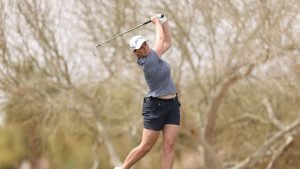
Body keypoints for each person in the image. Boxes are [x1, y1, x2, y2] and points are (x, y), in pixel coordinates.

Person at [115, 14, 181, 169]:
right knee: (145, 146)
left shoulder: (154, 55)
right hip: (155, 107)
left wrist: (165, 22)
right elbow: (160, 40)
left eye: (144, 44)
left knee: (169, 145)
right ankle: (123, 168)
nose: (144, 48)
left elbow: (167, 42)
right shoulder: (148, 61)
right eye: (140, 48)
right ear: (136, 53)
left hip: (172, 105)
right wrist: (156, 22)